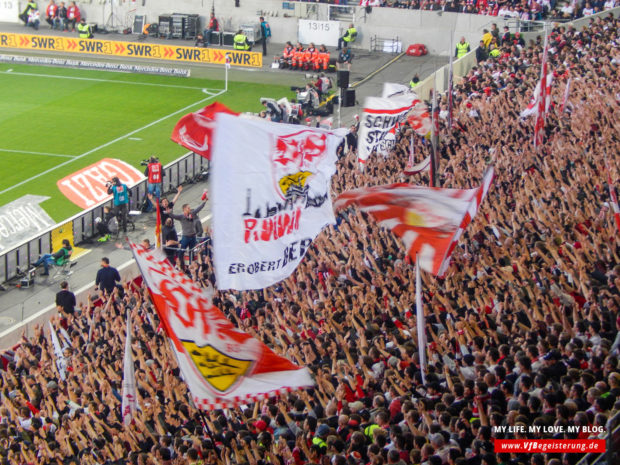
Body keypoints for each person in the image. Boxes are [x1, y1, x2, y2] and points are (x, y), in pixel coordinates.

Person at [169, 195, 207, 265]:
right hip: (186, 237)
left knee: (192, 252)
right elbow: (173, 216)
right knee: (181, 251)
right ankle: (180, 265)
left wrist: (204, 202)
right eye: (188, 208)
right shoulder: (181, 217)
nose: (190, 209)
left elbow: (198, 209)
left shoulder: (192, 214)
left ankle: (191, 265)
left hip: (193, 237)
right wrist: (169, 212)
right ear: (184, 209)